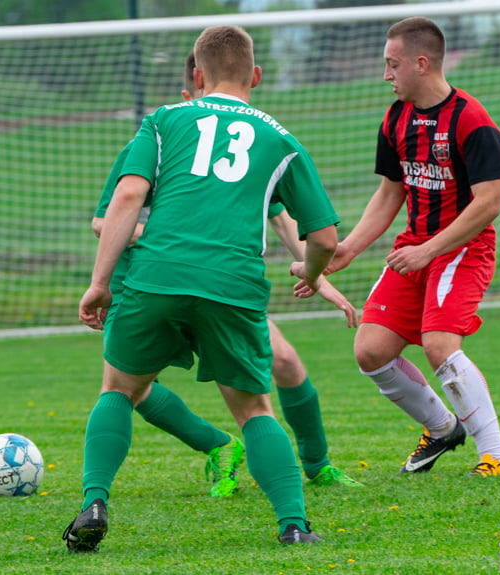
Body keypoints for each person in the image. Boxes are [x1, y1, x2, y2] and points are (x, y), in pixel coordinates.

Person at [63, 25, 339, 551]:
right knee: (254, 409)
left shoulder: (164, 121)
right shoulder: (280, 138)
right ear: (256, 76)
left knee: (119, 389)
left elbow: (125, 199)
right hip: (231, 282)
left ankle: (94, 502)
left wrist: (100, 282)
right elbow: (322, 236)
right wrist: (311, 270)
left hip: (156, 274)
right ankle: (294, 526)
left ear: (196, 74)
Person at [321, 17, 500, 477]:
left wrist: (430, 250)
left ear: (421, 64)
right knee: (370, 350)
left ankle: (497, 458)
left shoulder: (472, 119)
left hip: (462, 249)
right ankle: (442, 427)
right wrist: (349, 247)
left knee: (439, 345)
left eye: (392, 65)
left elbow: (489, 204)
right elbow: (392, 191)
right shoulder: (396, 118)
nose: (385, 75)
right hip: (414, 248)